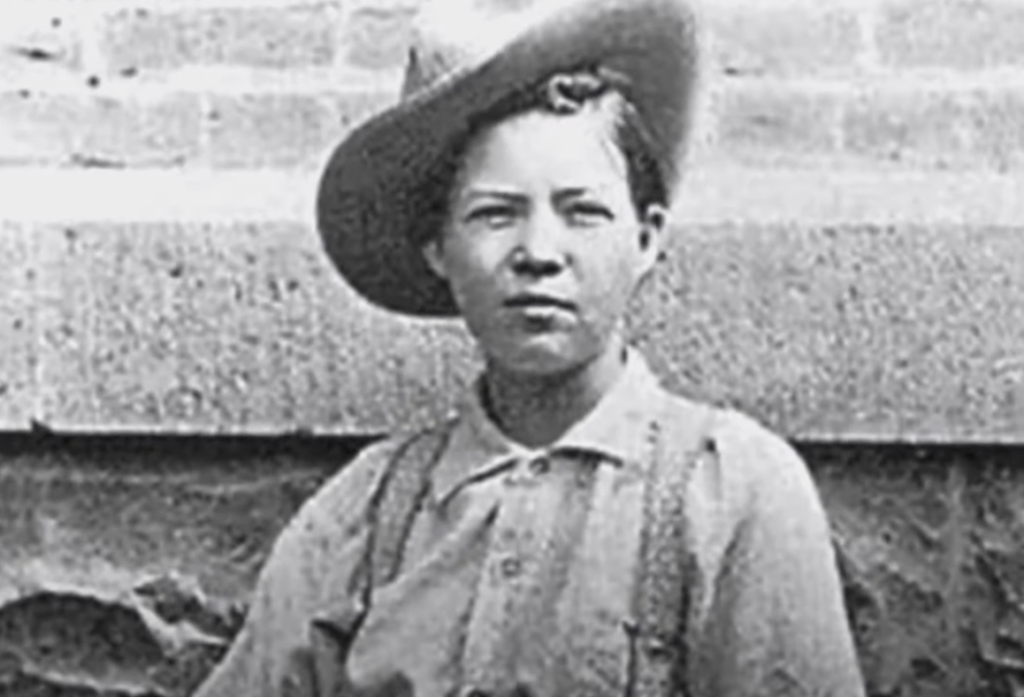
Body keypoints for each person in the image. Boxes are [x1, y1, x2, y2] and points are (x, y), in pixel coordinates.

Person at [193, 0, 866, 695]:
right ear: (438, 247)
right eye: (494, 213)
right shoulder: (364, 512)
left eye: (583, 212)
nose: (539, 252)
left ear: (646, 237)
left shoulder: (731, 491)